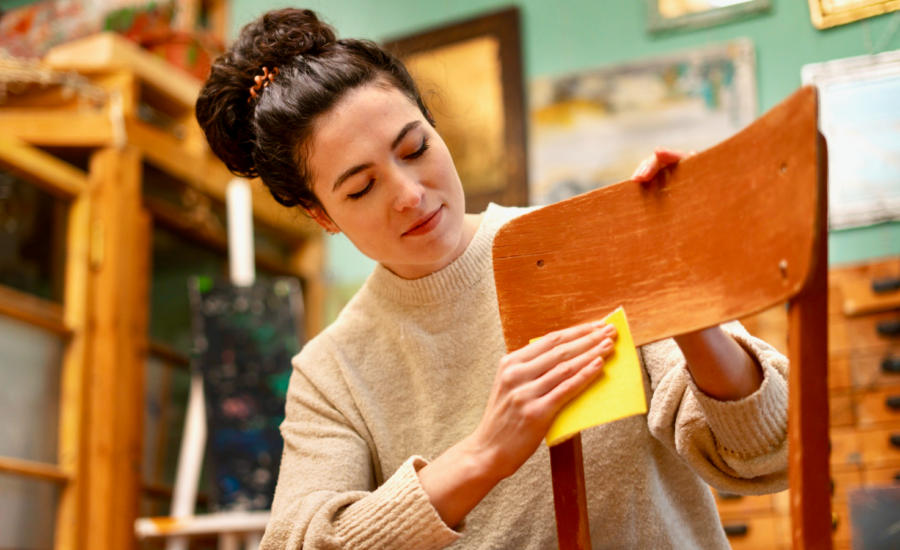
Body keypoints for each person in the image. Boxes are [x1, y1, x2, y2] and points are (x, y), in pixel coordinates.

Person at [196, 8, 789, 549]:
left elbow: (771, 448)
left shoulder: (581, 244)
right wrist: (484, 454)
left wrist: (682, 294)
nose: (409, 194)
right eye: (361, 187)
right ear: (321, 214)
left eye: (414, 147)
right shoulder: (333, 375)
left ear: (435, 127)